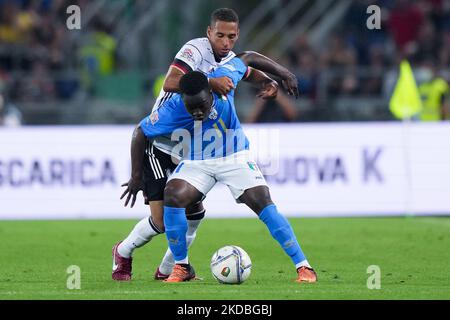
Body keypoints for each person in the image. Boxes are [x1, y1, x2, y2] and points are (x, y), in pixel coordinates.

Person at [112, 8, 298, 281]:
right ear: (209, 33)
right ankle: (123, 251)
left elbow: (247, 61)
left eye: (231, 37)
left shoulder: (227, 57)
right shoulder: (195, 50)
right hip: (161, 145)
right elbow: (171, 82)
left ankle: (170, 270)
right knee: (162, 222)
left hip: (191, 148)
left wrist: (275, 77)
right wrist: (136, 175)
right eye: (220, 35)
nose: (225, 42)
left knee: (194, 213)